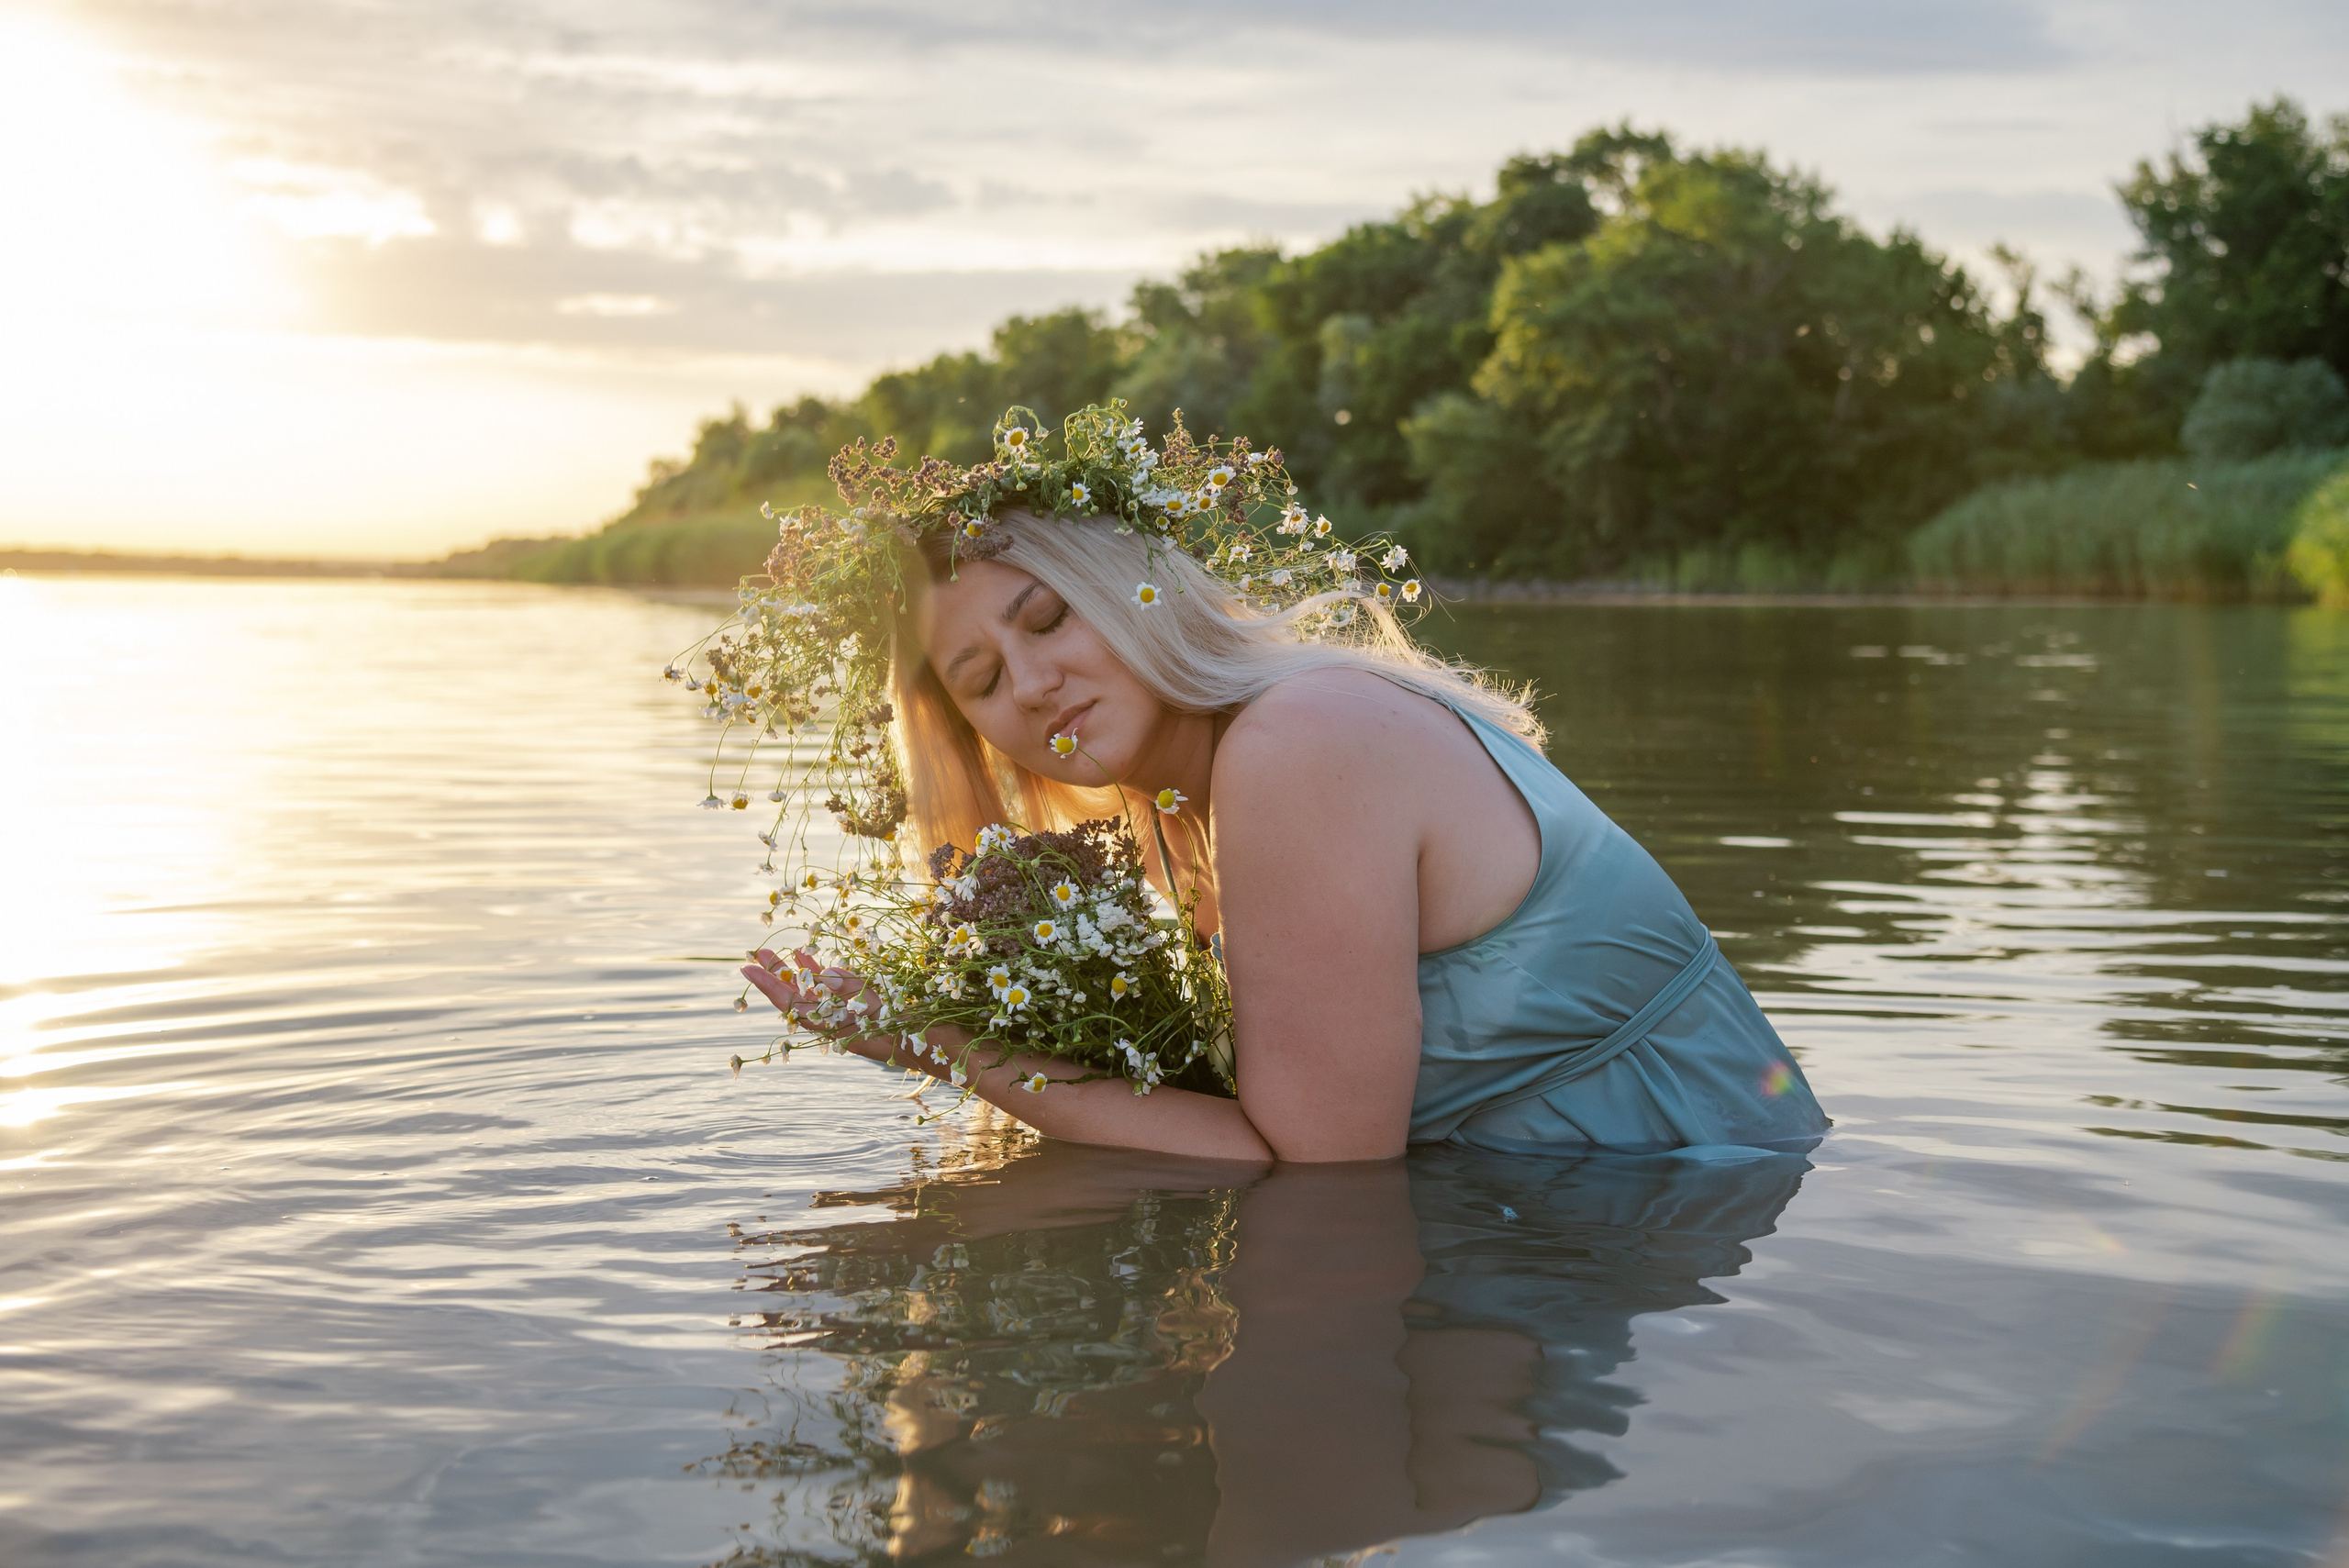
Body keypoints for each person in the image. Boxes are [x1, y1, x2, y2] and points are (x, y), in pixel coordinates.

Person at [735, 408, 1826, 1162]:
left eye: (1048, 617)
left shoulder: (1300, 742)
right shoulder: (1177, 821)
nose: (1030, 683)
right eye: (978, 678)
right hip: (1575, 1228)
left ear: (1137, 591)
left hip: (1690, 1227)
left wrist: (947, 1046)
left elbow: (1314, 1168)